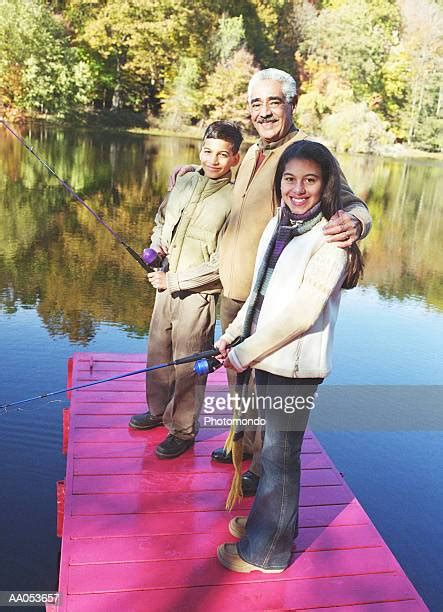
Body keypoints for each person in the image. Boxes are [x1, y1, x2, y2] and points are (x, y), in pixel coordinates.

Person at [170, 68, 371, 492]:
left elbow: (350, 201)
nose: (264, 112)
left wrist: (356, 221)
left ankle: (261, 471)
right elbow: (232, 189)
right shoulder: (254, 153)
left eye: (273, 102)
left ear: (290, 105)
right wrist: (194, 172)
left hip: (270, 303)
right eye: (256, 103)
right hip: (234, 293)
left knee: (265, 393)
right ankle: (239, 445)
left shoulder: (304, 151)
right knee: (237, 384)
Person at [214, 139, 364, 573]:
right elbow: (258, 294)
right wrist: (233, 333)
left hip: (295, 366)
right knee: (277, 455)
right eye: (290, 179)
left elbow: (300, 316)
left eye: (310, 180)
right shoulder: (278, 223)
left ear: (327, 184)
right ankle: (273, 525)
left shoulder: (332, 237)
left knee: (280, 458)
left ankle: (267, 552)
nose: (298, 189)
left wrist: (245, 354)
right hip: (268, 357)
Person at [128, 121, 242, 459]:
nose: (214, 160)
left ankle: (183, 430)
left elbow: (224, 264)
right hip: (164, 285)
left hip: (197, 296)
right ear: (200, 149)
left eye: (223, 155)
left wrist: (174, 281)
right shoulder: (185, 182)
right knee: (158, 352)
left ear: (235, 158)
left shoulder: (235, 200)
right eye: (208, 151)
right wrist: (157, 246)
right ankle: (156, 410)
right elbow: (162, 220)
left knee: (189, 365)